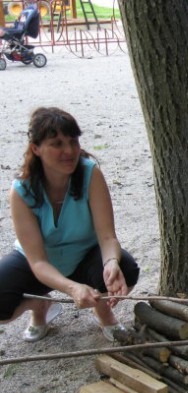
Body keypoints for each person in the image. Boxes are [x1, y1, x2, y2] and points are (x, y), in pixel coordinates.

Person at [0, 107, 140, 342]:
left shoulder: (90, 173)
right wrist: (72, 289)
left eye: (73, 141)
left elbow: (107, 238)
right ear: (36, 149)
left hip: (84, 256)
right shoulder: (21, 191)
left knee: (125, 267)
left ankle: (104, 313)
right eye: (56, 144)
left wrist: (111, 262)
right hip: (40, 264)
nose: (69, 151)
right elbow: (38, 261)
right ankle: (40, 305)